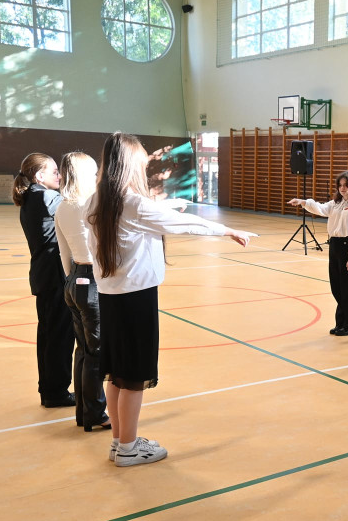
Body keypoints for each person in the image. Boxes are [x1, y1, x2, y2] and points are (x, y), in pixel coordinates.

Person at [87, 132, 255, 467]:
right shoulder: (133, 204)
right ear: (130, 164)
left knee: (117, 373)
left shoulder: (98, 201)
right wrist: (227, 230)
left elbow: (145, 218)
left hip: (111, 296)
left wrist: (162, 207)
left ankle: (120, 442)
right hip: (136, 299)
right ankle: (130, 448)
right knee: (134, 376)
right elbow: (181, 224)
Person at [53, 152, 111, 432]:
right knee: (97, 354)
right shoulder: (90, 204)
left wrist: (71, 281)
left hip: (74, 281)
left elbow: (64, 253)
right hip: (92, 280)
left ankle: (84, 412)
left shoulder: (63, 206)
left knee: (84, 351)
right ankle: (96, 414)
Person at [14, 152, 75, 408]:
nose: (59, 176)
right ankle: (56, 392)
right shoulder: (46, 196)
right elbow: (81, 207)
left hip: (44, 274)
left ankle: (50, 389)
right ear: (39, 176)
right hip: (53, 275)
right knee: (60, 336)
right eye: (54, 172)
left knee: (49, 334)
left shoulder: (32, 196)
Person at [287, 171, 348, 336]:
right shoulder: (336, 203)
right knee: (336, 287)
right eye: (340, 185)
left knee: (347, 288)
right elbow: (321, 208)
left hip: (346, 247)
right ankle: (341, 322)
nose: (343, 189)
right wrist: (303, 202)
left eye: (346, 185)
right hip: (335, 246)